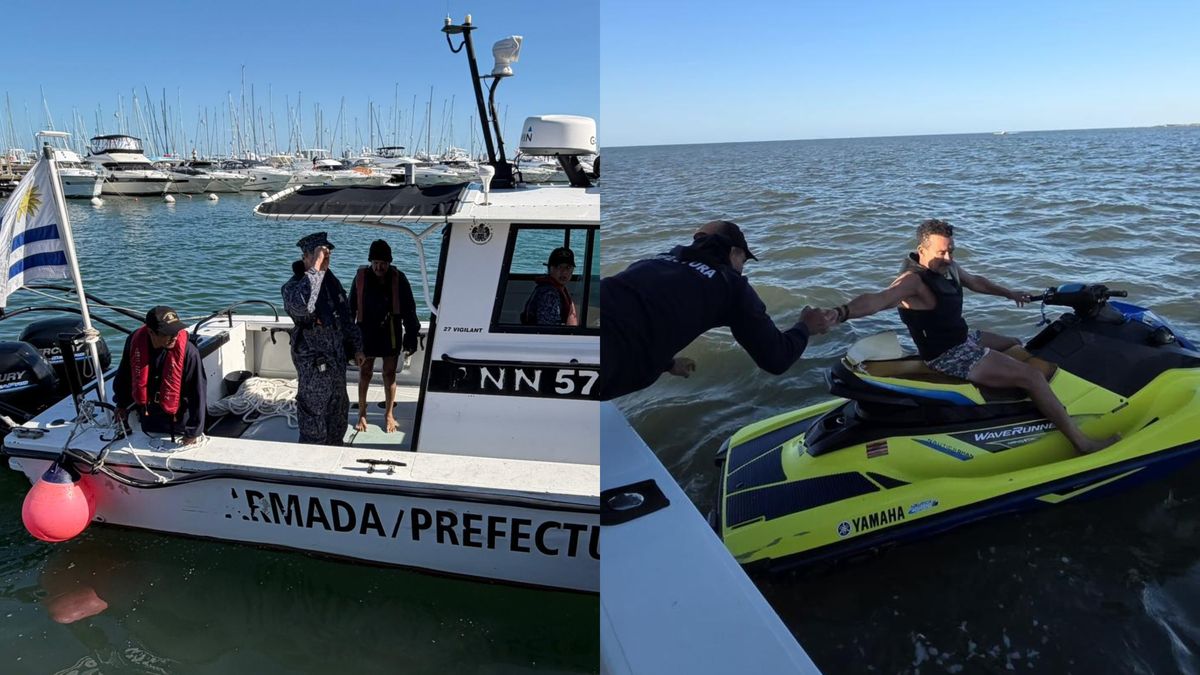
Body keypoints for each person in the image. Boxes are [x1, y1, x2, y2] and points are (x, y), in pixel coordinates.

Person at [828, 218, 1117, 454]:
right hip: (948, 355)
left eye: (951, 250)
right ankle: (1081, 442)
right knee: (1032, 376)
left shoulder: (948, 267)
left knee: (1014, 343)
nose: (948, 257)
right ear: (922, 249)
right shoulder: (911, 281)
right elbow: (878, 299)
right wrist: (841, 313)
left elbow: (976, 281)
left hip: (965, 338)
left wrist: (1010, 293)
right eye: (941, 252)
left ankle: (1013, 406)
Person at [599, 219, 836, 400]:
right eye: (743, 261)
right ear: (733, 253)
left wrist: (668, 364)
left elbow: (637, 317)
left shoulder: (653, 262)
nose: (742, 269)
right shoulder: (731, 285)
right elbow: (777, 359)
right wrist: (806, 326)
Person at [281, 232, 364, 446]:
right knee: (314, 423)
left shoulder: (332, 285)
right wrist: (316, 267)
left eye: (327, 256)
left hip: (336, 364)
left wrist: (357, 347)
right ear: (305, 258)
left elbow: (346, 318)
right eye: (319, 255)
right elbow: (302, 306)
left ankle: (335, 452)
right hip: (313, 367)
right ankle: (312, 466)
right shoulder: (293, 288)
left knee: (338, 418)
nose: (325, 260)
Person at [350, 239, 420, 433]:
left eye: (383, 263)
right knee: (365, 372)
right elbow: (350, 309)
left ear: (389, 262)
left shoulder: (399, 278)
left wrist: (411, 336)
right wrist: (350, 341)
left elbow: (409, 310)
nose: (379, 267)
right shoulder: (361, 277)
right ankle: (362, 413)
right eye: (375, 263)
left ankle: (389, 414)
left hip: (391, 331)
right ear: (370, 262)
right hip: (366, 331)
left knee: (389, 373)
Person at [112, 306, 206, 445]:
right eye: (168, 333)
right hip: (147, 415)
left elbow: (197, 392)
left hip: (177, 419)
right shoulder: (134, 341)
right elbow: (125, 373)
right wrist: (121, 404)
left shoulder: (189, 352)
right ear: (151, 332)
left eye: (176, 331)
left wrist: (193, 432)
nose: (174, 336)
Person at [522, 247, 579, 326]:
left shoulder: (558, 289)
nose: (564, 271)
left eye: (568, 267)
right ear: (549, 268)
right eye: (559, 266)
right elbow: (549, 329)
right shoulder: (548, 294)